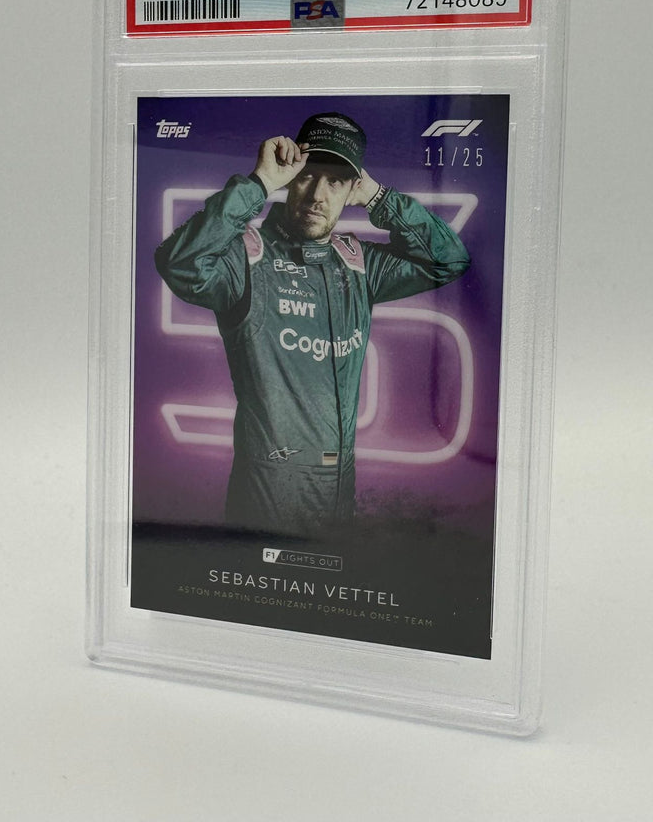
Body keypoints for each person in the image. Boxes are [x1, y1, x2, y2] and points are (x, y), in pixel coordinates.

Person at [154, 111, 470, 536]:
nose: (318, 195)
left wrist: (378, 197)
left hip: (339, 496)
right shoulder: (248, 258)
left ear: (351, 189)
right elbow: (180, 263)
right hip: (266, 498)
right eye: (307, 176)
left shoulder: (357, 264)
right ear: (290, 179)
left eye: (335, 181)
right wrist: (259, 183)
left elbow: (449, 260)